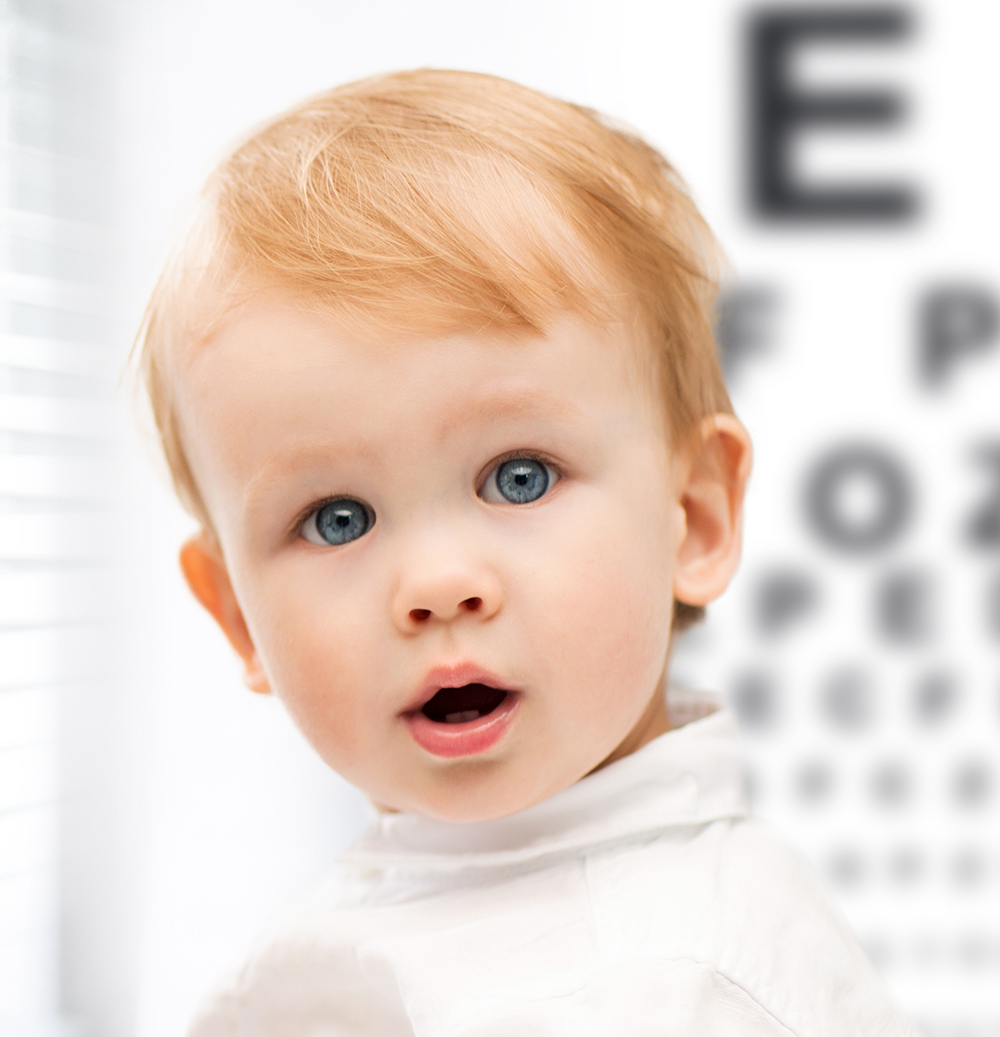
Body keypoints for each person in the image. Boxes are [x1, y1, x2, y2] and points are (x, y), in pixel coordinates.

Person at [135, 69, 917, 1035]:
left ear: (696, 516)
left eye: (519, 476)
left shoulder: (668, 983)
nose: (437, 586)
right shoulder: (405, 906)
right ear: (237, 616)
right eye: (338, 517)